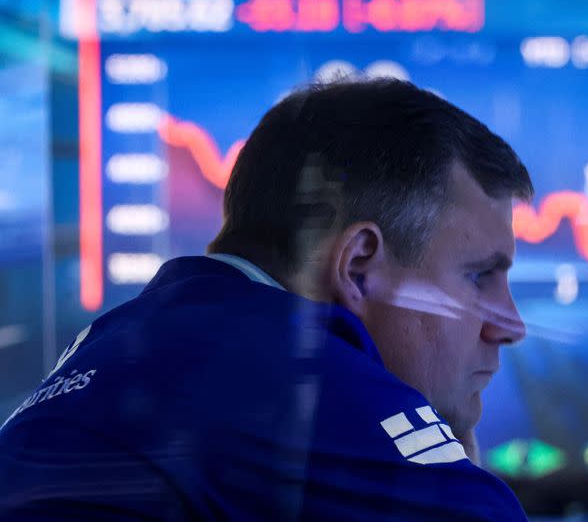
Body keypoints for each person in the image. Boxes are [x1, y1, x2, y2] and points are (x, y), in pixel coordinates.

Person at [0, 78, 533, 520]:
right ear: (358, 267)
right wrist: (451, 470)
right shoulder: (302, 381)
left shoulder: (118, 338)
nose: (510, 324)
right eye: (480, 276)